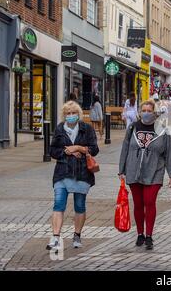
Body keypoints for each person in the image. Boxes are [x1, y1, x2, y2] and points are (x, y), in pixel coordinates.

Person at [119, 100, 171, 250]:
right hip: (134, 171)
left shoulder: (162, 130)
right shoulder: (133, 128)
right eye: (144, 110)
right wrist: (122, 170)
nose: (146, 113)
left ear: (154, 113)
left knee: (149, 201)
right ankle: (140, 234)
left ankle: (149, 236)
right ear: (140, 112)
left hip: (154, 171)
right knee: (138, 204)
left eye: (149, 110)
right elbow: (125, 149)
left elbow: (169, 152)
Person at [47, 101, 99, 251]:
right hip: (62, 173)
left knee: (79, 206)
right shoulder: (59, 129)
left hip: (82, 173)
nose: (70, 116)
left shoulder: (86, 129)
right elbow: (52, 151)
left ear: (78, 114)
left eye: (73, 113)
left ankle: (77, 235)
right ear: (64, 115)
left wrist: (79, 148)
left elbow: (94, 149)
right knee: (58, 204)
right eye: (68, 113)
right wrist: (65, 151)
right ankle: (55, 237)